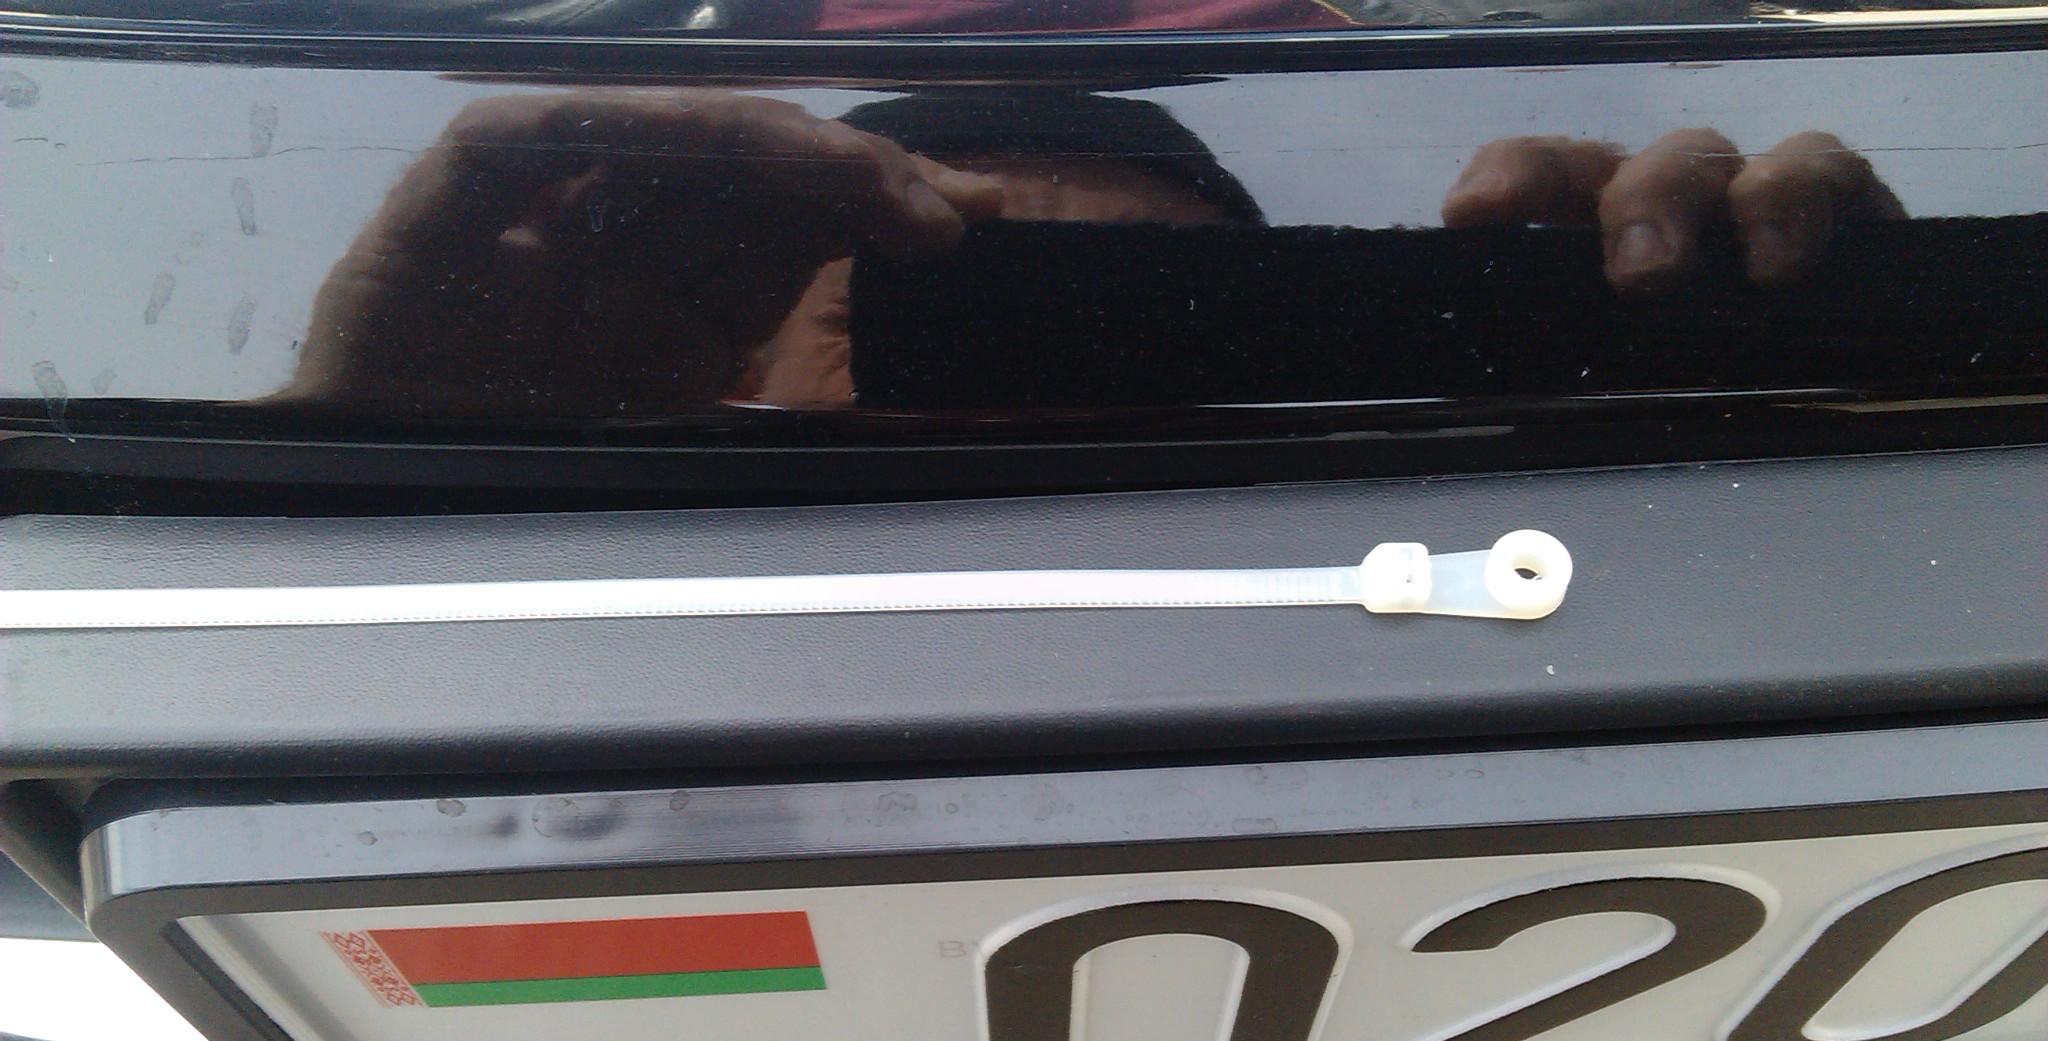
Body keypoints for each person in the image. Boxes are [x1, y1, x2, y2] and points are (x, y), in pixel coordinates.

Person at [285, 87, 1900, 413]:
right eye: (942, 310)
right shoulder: (608, 588)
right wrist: (383, 460)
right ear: (733, 366)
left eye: (1141, 327)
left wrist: (1774, 342)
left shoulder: (1425, 573)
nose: (1019, 398)